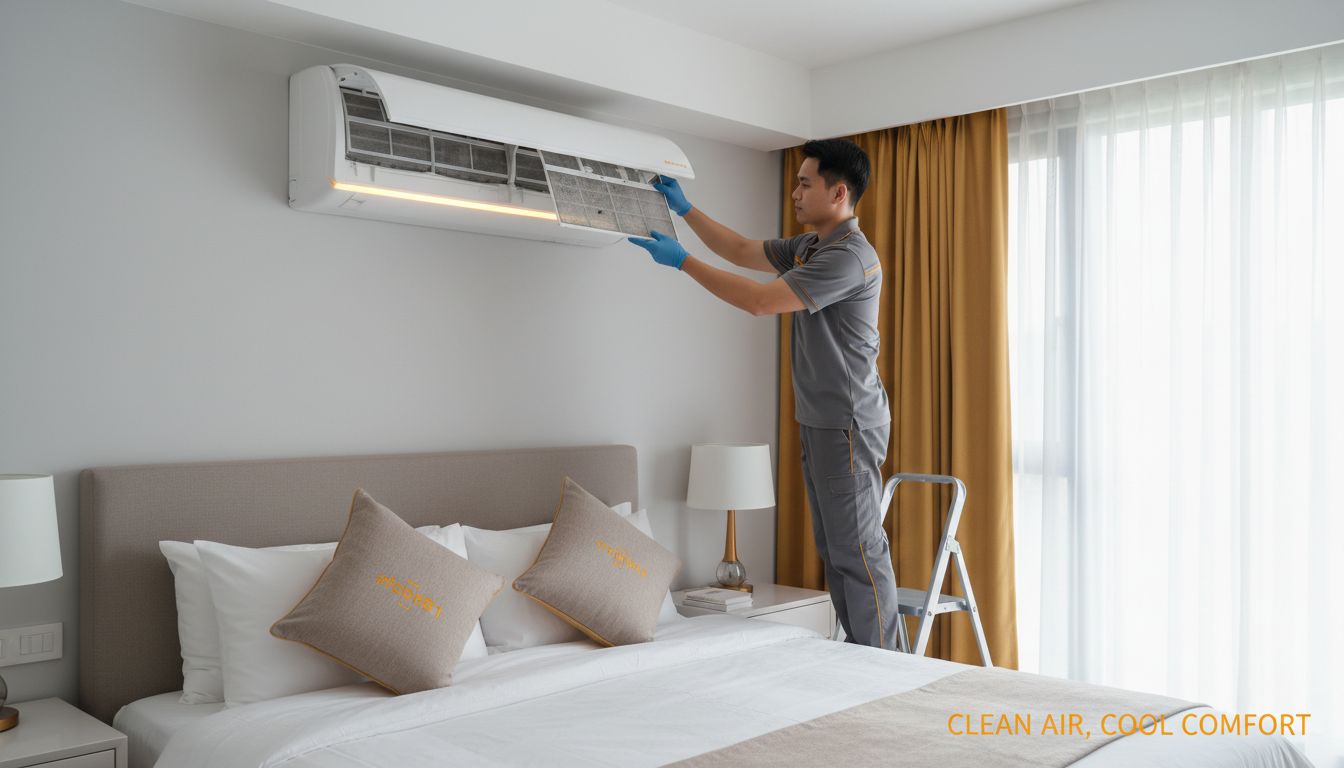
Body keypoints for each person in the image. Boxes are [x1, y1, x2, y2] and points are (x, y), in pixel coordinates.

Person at [629, 139, 899, 650]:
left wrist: (682, 261)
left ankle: (889, 671)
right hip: (822, 421)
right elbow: (740, 251)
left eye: (804, 183)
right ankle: (862, 663)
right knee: (836, 552)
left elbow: (758, 302)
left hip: (847, 424)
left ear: (838, 192)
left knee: (859, 555)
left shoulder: (848, 258)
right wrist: (685, 209)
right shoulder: (811, 246)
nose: (794, 192)